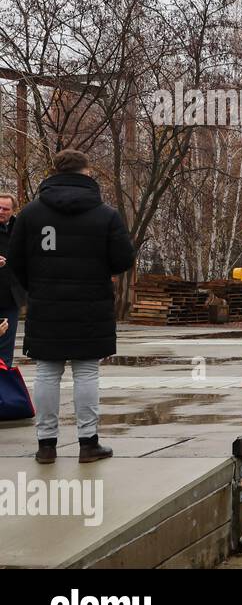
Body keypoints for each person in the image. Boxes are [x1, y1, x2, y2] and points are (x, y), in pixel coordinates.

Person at [8, 149, 135, 464]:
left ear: (54, 172)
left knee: (47, 372)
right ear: (86, 172)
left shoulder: (31, 214)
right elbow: (123, 259)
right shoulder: (105, 214)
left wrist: (35, 285)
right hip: (91, 305)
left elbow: (15, 260)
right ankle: (88, 443)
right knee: (87, 371)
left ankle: (46, 445)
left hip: (45, 303)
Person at [0, 191, 24, 366]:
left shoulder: (20, 229)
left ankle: (4, 389)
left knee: (6, 350)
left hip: (10, 297)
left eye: (5, 209)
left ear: (13, 210)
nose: (1, 211)